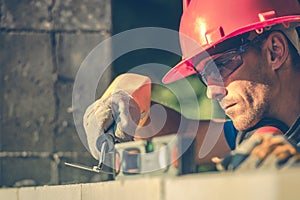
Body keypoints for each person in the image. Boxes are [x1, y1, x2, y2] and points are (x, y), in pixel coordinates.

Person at [83, 0, 300, 171]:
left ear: (275, 51)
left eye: (222, 65)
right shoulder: (260, 126)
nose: (211, 91)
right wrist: (136, 105)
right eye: (205, 75)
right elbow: (183, 133)